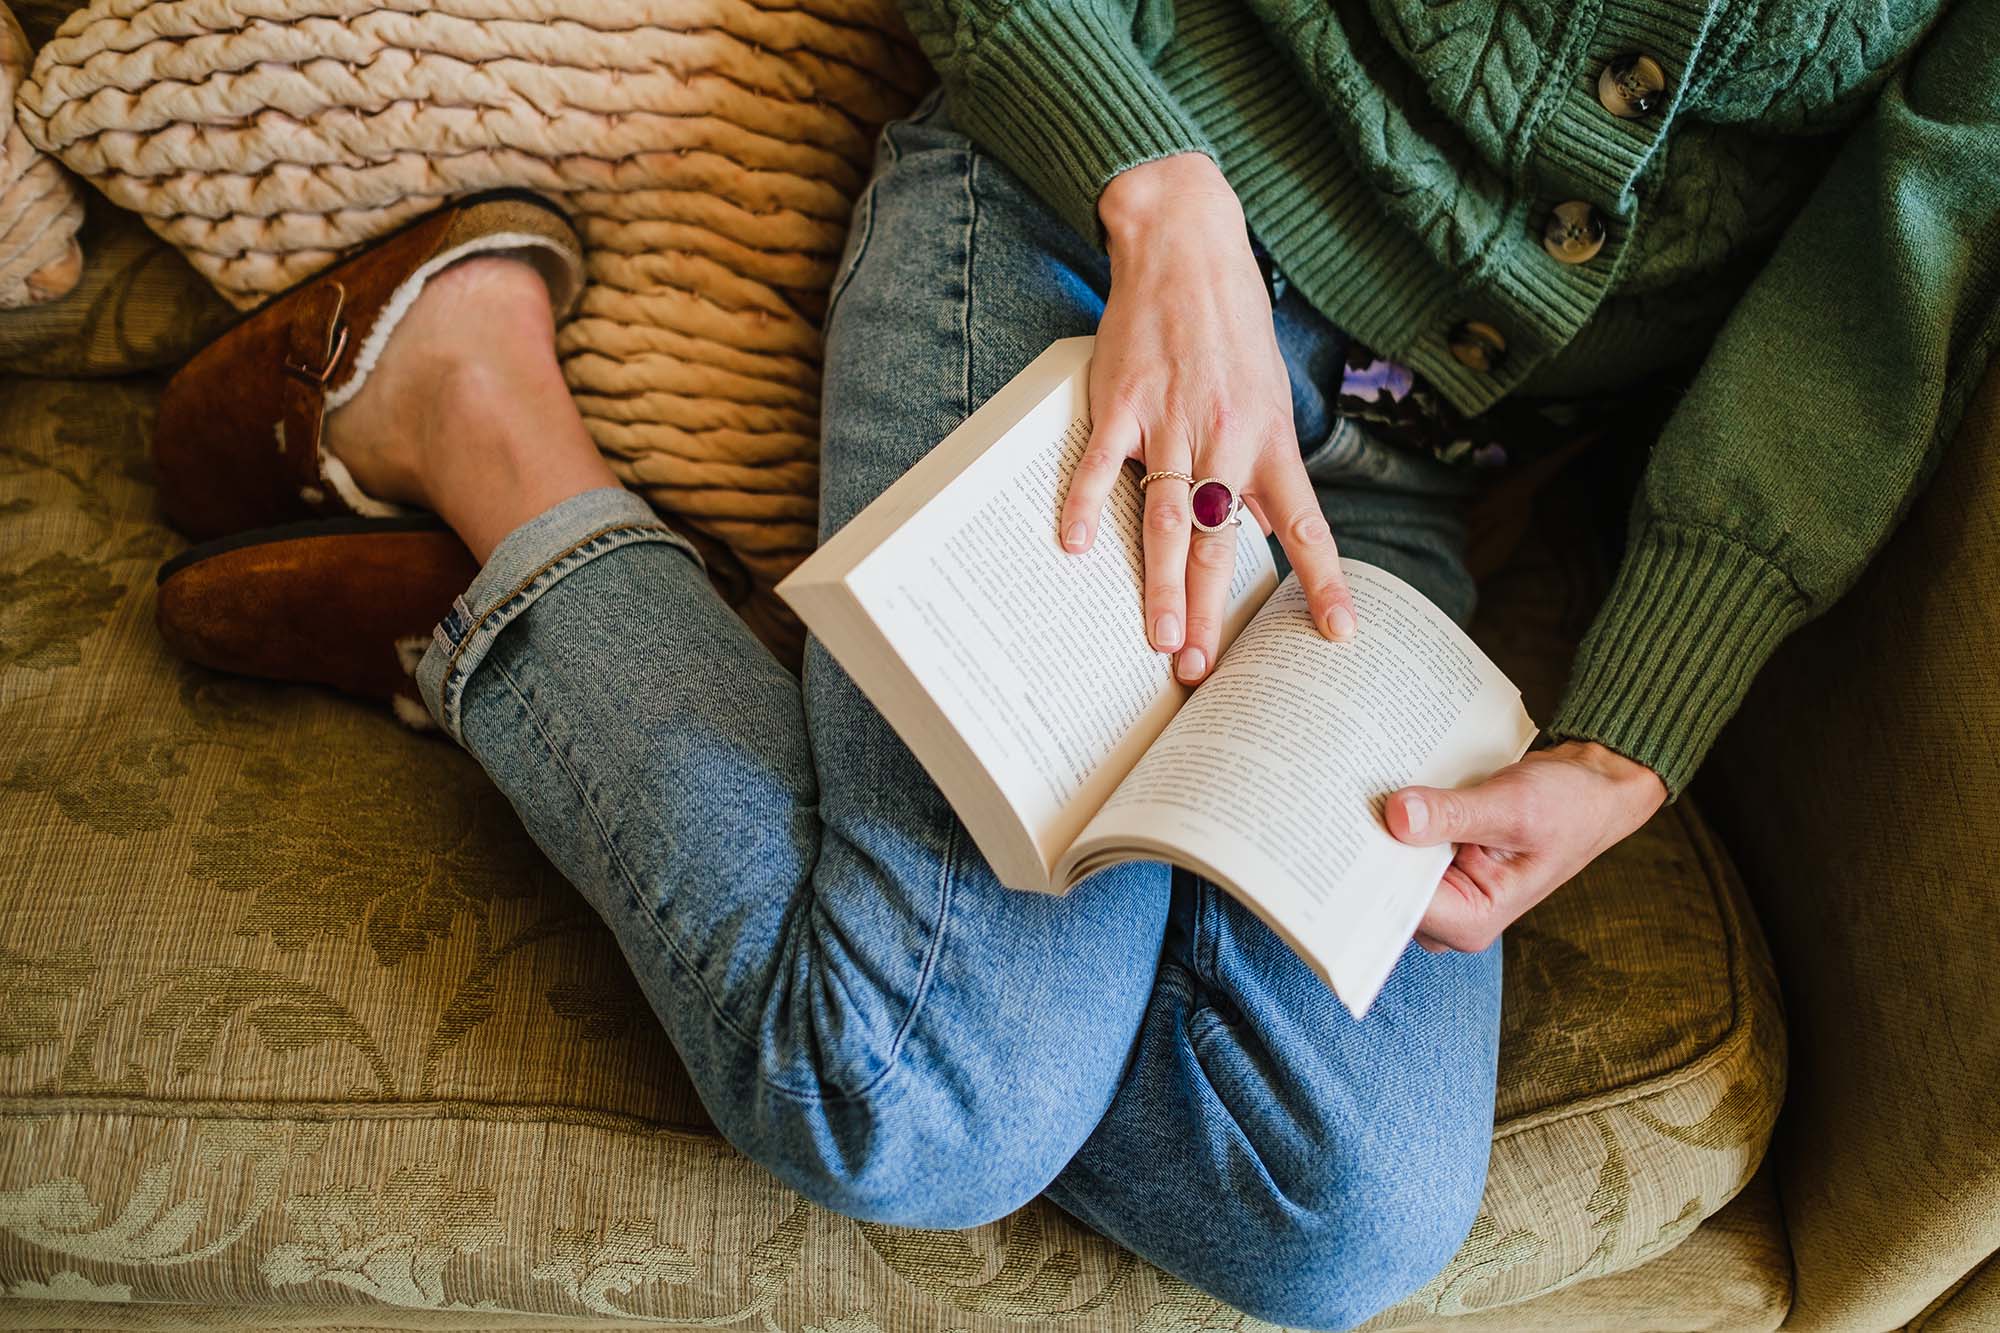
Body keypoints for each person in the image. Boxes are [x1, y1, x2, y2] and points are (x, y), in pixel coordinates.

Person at [146, 0, 1997, 1325]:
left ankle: (593, 648)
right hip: (1084, 258)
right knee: (909, 1100)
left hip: (1389, 483)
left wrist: (1636, 734)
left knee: (1342, 1214)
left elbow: (1894, 273)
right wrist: (1152, 177)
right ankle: (472, 411)